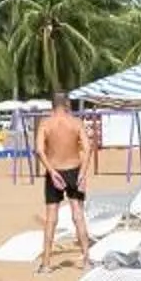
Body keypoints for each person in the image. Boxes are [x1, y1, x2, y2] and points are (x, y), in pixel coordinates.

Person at [37, 96, 98, 264]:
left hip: (54, 171)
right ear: (67, 105)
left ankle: (46, 263)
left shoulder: (45, 123)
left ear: (53, 105)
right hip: (74, 170)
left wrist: (51, 171)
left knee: (51, 218)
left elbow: (39, 150)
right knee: (78, 215)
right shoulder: (76, 123)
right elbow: (88, 148)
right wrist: (82, 173)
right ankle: (86, 259)